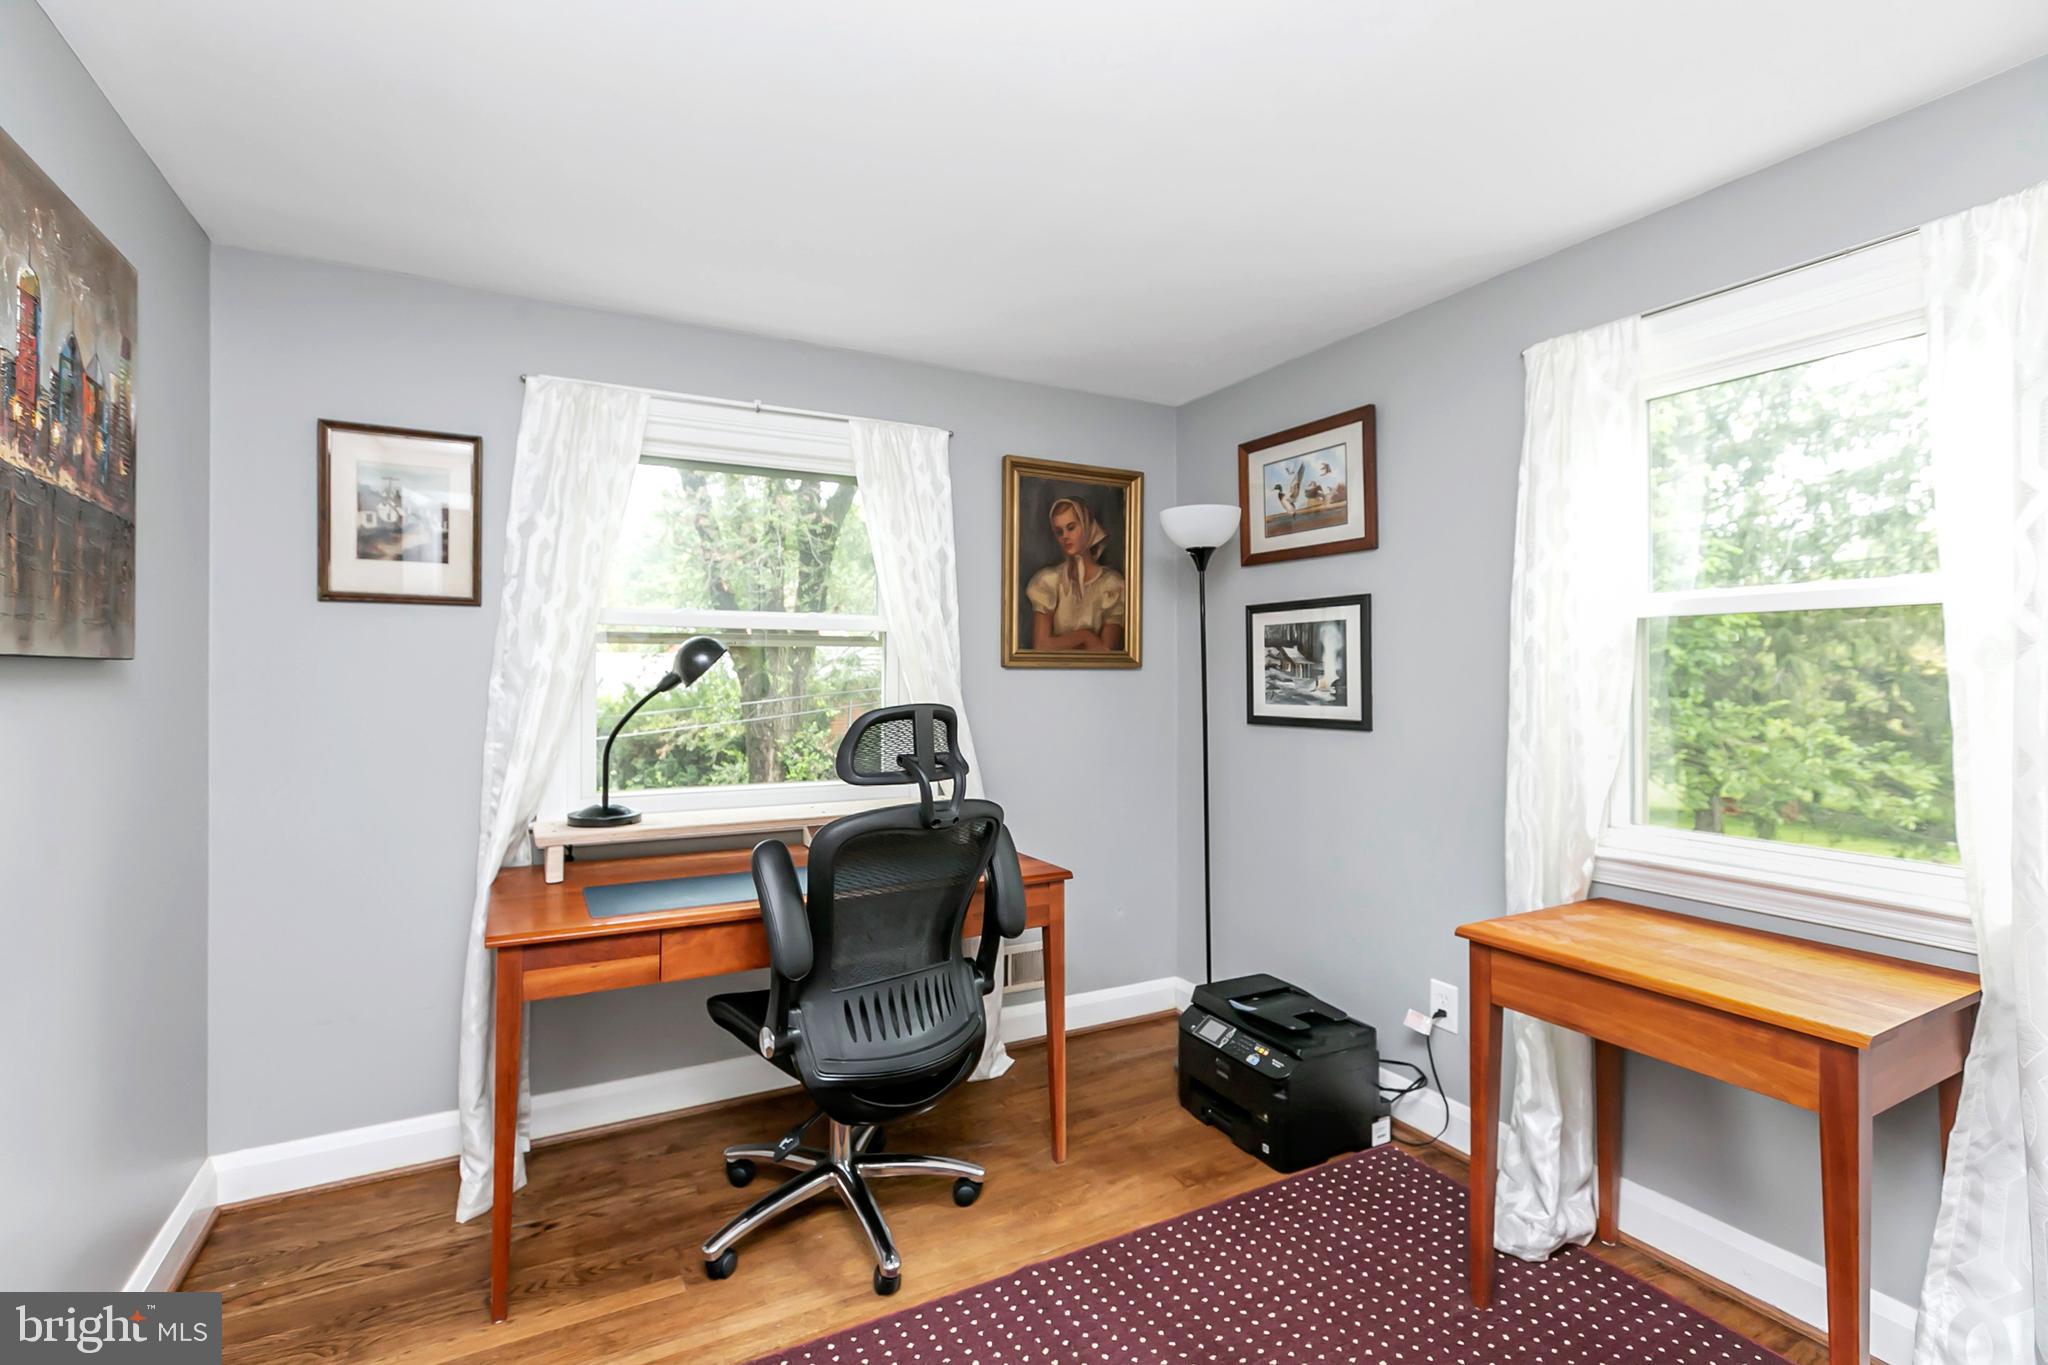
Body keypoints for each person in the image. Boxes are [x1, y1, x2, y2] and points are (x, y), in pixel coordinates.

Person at [1027, 495, 1125, 651]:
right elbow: (1041, 645)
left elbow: (1106, 652)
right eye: (1059, 532)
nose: (1065, 536)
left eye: (1071, 527)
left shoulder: (1112, 584)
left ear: (1087, 526)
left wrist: (1063, 642)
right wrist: (1084, 636)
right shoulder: (1048, 581)